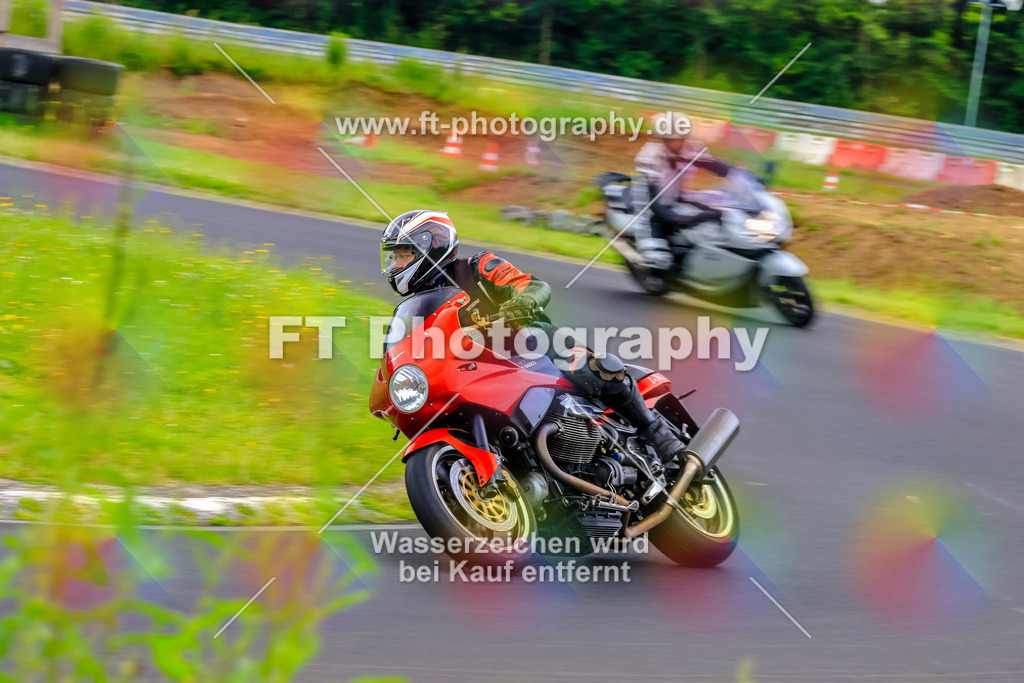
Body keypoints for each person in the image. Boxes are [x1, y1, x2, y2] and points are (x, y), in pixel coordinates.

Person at [380, 209, 687, 463]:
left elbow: (530, 284)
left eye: (402, 255)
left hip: (533, 346)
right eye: (393, 258)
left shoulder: (476, 268)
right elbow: (405, 355)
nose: (395, 265)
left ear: (430, 245)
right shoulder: (414, 311)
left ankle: (657, 433)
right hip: (479, 371)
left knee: (593, 370)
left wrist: (522, 301)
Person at [633, 111, 732, 270]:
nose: (676, 144)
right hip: (650, 205)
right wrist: (674, 218)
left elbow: (715, 165)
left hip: (678, 197)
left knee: (715, 210)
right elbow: (653, 202)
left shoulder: (692, 147)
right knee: (659, 256)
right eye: (670, 139)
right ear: (662, 138)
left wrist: (745, 176)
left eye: (680, 139)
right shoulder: (649, 156)